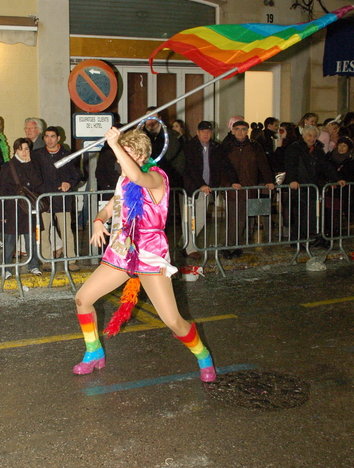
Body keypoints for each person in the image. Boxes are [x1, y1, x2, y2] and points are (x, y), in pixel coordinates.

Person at [72, 127, 216, 382]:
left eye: (125, 154)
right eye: (120, 154)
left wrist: (114, 144)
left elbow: (138, 176)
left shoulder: (157, 178)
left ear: (139, 155)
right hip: (121, 251)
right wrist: (97, 220)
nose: (119, 160)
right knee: (83, 299)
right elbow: (110, 207)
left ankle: (203, 355)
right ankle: (94, 352)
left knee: (173, 321)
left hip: (149, 254)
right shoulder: (124, 180)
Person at [217, 119, 274, 257]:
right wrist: (227, 184)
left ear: (247, 131)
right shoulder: (227, 146)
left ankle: (235, 244)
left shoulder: (254, 146)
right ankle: (229, 245)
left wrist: (269, 180)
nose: (240, 132)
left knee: (242, 219)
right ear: (232, 131)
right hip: (231, 188)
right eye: (237, 129)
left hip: (248, 186)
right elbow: (223, 167)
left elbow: (263, 164)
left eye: (243, 129)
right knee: (233, 218)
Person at [284, 125, 345, 248]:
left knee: (313, 214)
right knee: (301, 215)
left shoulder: (317, 149)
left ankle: (313, 237)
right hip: (299, 187)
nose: (312, 138)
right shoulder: (295, 148)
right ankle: (297, 240)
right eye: (309, 135)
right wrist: (292, 180)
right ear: (303, 136)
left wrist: (337, 178)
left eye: (314, 136)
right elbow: (290, 165)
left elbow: (325, 166)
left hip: (312, 187)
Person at [32, 126, 82, 271]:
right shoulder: (37, 155)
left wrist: (69, 183)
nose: (49, 139)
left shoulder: (67, 155)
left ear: (58, 138)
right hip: (43, 198)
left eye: (52, 136)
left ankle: (71, 260)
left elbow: (77, 174)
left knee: (66, 231)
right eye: (47, 136)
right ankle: (46, 260)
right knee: (43, 231)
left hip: (62, 198)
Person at [0, 138, 43, 277]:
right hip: (12, 208)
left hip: (28, 207)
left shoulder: (33, 164)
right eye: (21, 149)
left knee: (31, 238)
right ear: (15, 150)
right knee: (9, 240)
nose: (24, 152)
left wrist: (29, 165)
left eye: (27, 149)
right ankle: (6, 268)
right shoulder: (8, 166)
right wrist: (2, 214)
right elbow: (1, 191)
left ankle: (33, 265)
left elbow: (37, 182)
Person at [182, 121, 223, 258]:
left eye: (208, 132)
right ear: (197, 132)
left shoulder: (216, 147)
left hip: (206, 189)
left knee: (200, 220)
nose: (206, 134)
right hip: (190, 189)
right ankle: (190, 248)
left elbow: (222, 166)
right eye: (203, 131)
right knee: (188, 219)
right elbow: (190, 168)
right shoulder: (189, 147)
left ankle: (184, 243)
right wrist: (200, 184)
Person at [324, 136, 354, 235]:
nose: (341, 148)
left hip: (342, 192)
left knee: (336, 212)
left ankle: (335, 230)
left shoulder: (351, 162)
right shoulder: (329, 157)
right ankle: (327, 230)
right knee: (327, 211)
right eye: (340, 145)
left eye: (344, 146)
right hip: (328, 190)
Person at [143, 108, 184, 188]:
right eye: (148, 118)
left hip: (168, 181)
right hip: (147, 180)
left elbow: (177, 160)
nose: (151, 121)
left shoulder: (170, 136)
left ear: (159, 118)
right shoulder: (141, 136)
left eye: (153, 117)